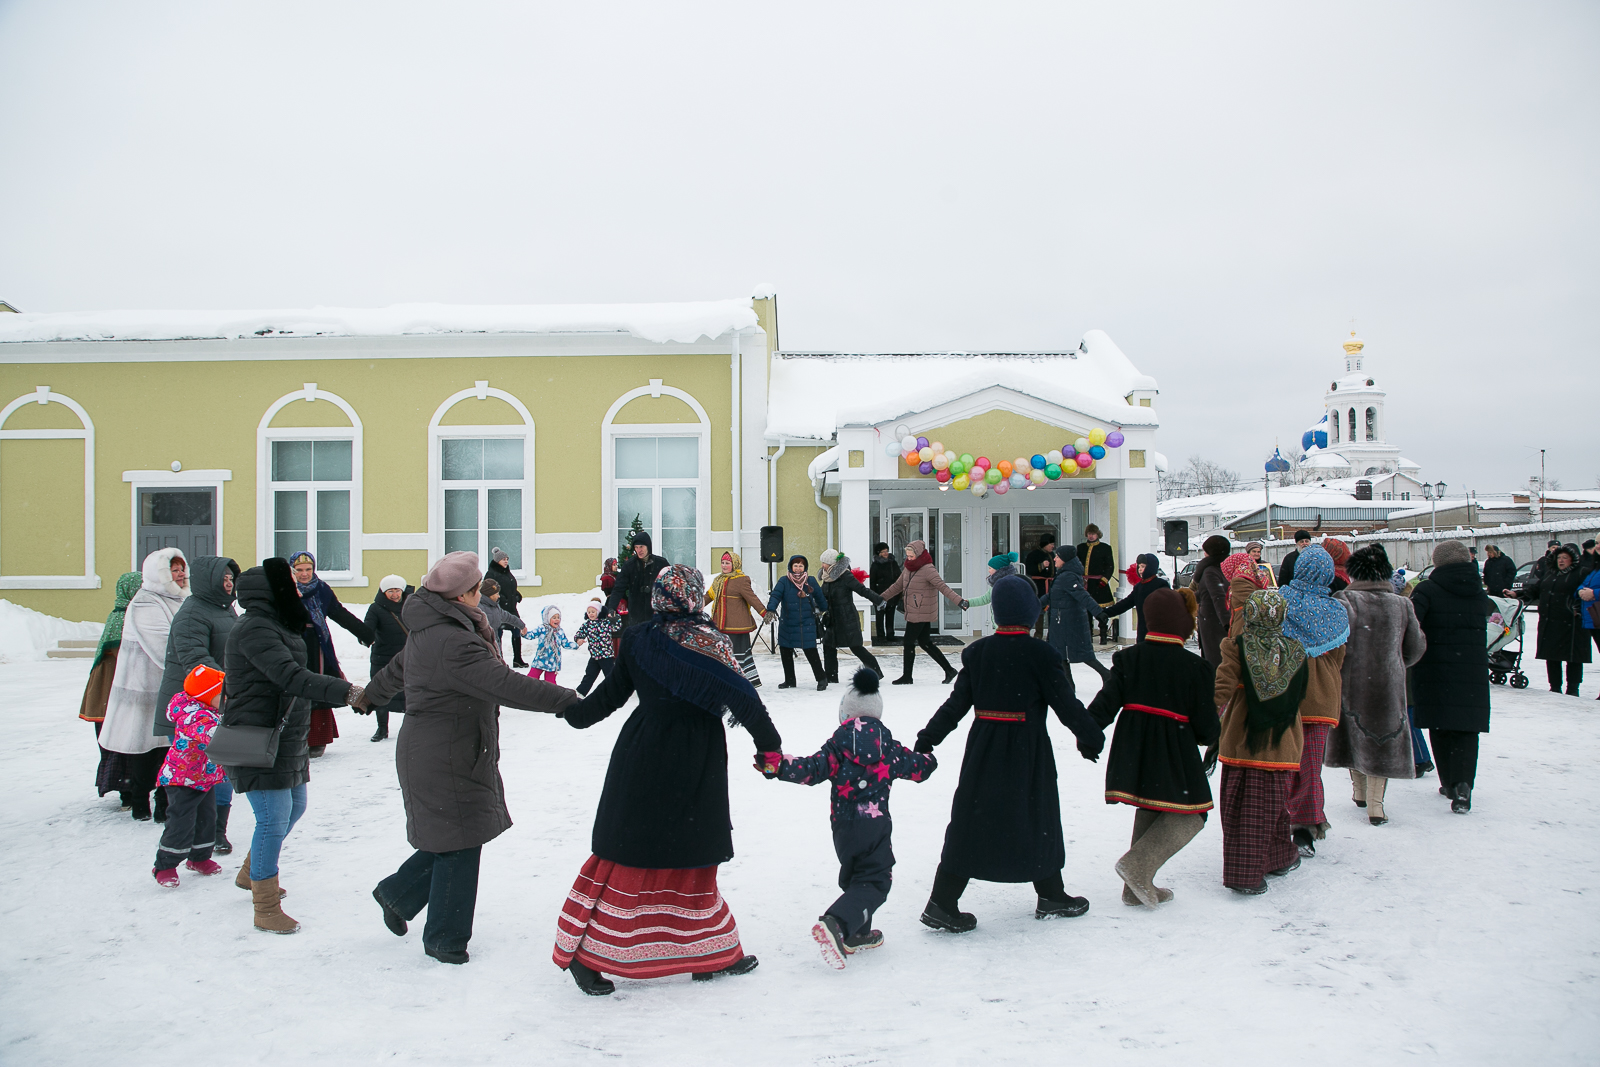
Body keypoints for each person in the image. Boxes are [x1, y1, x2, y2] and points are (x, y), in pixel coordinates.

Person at [553, 564, 779, 995]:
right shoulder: (711, 643)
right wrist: (770, 752)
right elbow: (748, 704)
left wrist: (572, 711)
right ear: (695, 597)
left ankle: (708, 952)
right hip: (696, 757)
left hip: (643, 752)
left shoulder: (639, 638)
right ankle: (587, 956)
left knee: (637, 852)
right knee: (680, 852)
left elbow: (610, 696)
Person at [362, 550, 577, 964]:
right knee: (461, 841)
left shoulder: (434, 629)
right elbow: (505, 684)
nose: (480, 596)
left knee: (454, 836)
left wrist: (371, 696)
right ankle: (444, 937)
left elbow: (395, 671)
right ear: (462, 595)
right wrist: (569, 702)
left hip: (446, 747)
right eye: (477, 590)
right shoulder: (452, 640)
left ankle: (398, 894)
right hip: (444, 752)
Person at [912, 576, 1104, 931]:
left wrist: (929, 737)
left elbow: (955, 705)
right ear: (1031, 612)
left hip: (983, 747)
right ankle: (1051, 895)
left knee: (971, 820)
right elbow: (1066, 704)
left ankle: (942, 902)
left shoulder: (979, 652)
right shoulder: (1041, 654)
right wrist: (1090, 736)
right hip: (1026, 748)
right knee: (1037, 816)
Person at [221, 558, 363, 934]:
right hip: (258, 733)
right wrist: (347, 692)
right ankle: (264, 906)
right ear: (271, 590)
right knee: (272, 818)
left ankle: (252, 871)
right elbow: (290, 676)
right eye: (288, 581)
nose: (297, 586)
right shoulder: (254, 629)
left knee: (294, 807)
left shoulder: (278, 624)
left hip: (286, 733)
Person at [766, 669, 937, 969]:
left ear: (844, 713)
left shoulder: (837, 745)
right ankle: (838, 922)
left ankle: (859, 932)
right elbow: (919, 769)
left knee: (859, 876)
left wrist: (778, 766)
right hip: (875, 824)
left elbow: (810, 769)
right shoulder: (889, 747)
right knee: (877, 879)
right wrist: (929, 757)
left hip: (843, 827)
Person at [1086, 589, 1218, 907]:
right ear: (1182, 623)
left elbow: (1105, 704)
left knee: (1151, 805)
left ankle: (1135, 888)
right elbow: (1206, 726)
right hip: (1174, 750)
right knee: (1193, 813)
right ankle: (1137, 866)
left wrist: (1087, 733)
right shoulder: (1194, 667)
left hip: (1133, 748)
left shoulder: (1129, 658)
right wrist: (1210, 734)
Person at [1214, 589, 1308, 894]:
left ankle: (1245, 876)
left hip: (1244, 739)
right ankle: (1278, 857)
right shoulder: (1296, 649)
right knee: (1272, 806)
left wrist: (1205, 718)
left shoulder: (1237, 646)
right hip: (1282, 743)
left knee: (1244, 810)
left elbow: (1223, 686)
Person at [1327, 545, 1427, 826]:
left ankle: (1358, 792)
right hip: (1387, 685)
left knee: (1352, 733)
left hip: (1350, 682)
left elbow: (1335, 643)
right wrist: (1394, 663)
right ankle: (1376, 806)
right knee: (1382, 739)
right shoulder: (1401, 604)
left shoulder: (1345, 601)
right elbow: (1415, 648)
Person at [152, 555, 241, 849]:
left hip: (220, 702)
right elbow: (197, 663)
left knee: (221, 768)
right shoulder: (192, 614)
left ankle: (214, 833)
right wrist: (227, 693)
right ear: (208, 581)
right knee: (194, 776)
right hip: (193, 708)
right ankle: (184, 840)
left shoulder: (224, 609)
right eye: (223, 579)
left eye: (231, 579)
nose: (228, 584)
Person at [98, 548, 188, 822]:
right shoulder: (146, 602)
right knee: (145, 749)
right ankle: (140, 801)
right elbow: (162, 644)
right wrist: (194, 665)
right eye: (174, 570)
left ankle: (163, 802)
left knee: (166, 748)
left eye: (182, 568)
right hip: (144, 688)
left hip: (168, 686)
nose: (181, 574)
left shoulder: (179, 599)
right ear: (159, 574)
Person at [1411, 540, 1497, 813]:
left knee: (1440, 724)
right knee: (1466, 728)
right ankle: (1463, 785)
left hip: (1435, 668)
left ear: (1438, 562)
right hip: (1471, 670)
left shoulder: (1426, 590)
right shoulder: (1478, 592)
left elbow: (1412, 626)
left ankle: (1448, 782)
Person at [1278, 545, 1349, 857]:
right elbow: (1339, 657)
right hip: (1321, 696)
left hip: (1283, 693)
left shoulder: (1279, 601)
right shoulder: (1335, 611)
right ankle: (1306, 825)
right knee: (1310, 766)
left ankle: (1277, 818)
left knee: (1281, 763)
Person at [289, 551, 375, 757]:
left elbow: (338, 612)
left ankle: (317, 738)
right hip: (291, 644)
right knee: (293, 689)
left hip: (317, 645)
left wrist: (363, 632)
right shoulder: (286, 591)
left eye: (308, 569)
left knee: (318, 688)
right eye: (299, 570)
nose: (304, 574)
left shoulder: (321, 589)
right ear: (292, 571)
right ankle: (293, 738)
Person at [151, 665, 229, 887]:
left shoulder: (210, 709)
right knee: (181, 821)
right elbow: (213, 734)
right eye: (221, 695)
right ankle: (164, 866)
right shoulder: (192, 715)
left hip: (204, 777)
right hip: (182, 777)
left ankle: (199, 858)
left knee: (207, 818)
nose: (226, 699)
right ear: (206, 696)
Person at [81, 572, 142, 803]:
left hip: (116, 687)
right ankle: (125, 788)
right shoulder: (122, 618)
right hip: (113, 689)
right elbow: (123, 656)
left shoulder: (126, 615)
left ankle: (128, 786)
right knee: (120, 737)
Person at [878, 539, 967, 686]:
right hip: (914, 609)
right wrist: (880, 598)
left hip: (921, 610)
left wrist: (959, 600)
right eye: (907, 556)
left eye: (911, 556)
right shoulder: (908, 568)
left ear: (919, 554)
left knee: (908, 642)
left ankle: (907, 676)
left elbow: (942, 587)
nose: (909, 558)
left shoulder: (928, 569)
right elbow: (897, 586)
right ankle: (949, 670)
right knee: (925, 642)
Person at [1527, 545, 1589, 696]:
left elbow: (1587, 593)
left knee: (1573, 656)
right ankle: (1554, 687)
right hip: (1550, 620)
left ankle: (1573, 688)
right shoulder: (1550, 573)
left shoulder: (1581, 573)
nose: (1561, 561)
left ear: (1572, 560)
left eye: (1565, 558)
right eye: (1559, 557)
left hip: (1572, 621)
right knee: (1551, 654)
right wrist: (1517, 594)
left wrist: (1577, 608)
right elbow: (1537, 589)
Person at [1040, 548, 1110, 683]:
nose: (1054, 559)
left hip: (1068, 622)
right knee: (1061, 655)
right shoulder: (1064, 574)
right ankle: (1069, 685)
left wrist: (1099, 612)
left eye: (1057, 557)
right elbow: (1053, 595)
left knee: (1080, 654)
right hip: (1062, 620)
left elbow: (1083, 596)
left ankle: (1107, 676)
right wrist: (1034, 605)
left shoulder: (1068, 576)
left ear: (1065, 559)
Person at [818, 550, 885, 681]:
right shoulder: (827, 577)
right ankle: (831, 677)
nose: (822, 566)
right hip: (832, 619)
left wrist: (879, 600)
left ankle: (876, 672)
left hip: (846, 618)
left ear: (832, 563)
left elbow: (862, 590)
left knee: (856, 647)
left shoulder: (845, 576)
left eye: (825, 563)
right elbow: (823, 596)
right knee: (828, 646)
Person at [766, 555, 829, 691]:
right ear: (791, 566)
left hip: (807, 622)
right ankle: (790, 680)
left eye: (801, 566)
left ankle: (821, 679)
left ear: (804, 567)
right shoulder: (784, 581)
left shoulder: (810, 580)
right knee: (785, 651)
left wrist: (824, 609)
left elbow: (819, 597)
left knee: (811, 651)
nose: (798, 568)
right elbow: (775, 595)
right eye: (795, 565)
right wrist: (770, 609)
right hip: (788, 622)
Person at [706, 550, 767, 686]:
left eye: (727, 563)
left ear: (735, 564)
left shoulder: (741, 580)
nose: (724, 565)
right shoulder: (718, 580)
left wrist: (764, 612)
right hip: (721, 624)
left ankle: (742, 681)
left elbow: (752, 598)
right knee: (723, 653)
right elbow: (709, 596)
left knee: (738, 654)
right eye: (722, 563)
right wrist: (694, 605)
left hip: (737, 626)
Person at [363, 575, 412, 742]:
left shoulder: (411, 605)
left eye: (397, 590)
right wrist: (365, 637)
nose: (394, 594)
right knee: (381, 691)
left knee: (410, 692)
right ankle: (382, 728)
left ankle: (410, 728)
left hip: (407, 656)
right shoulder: (376, 609)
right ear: (383, 592)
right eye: (390, 591)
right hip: (382, 657)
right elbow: (368, 627)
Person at [1104, 554, 1172, 643]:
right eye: (1139, 566)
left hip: (1158, 631)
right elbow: (1126, 603)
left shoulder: (1161, 585)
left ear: (1151, 567)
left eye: (1143, 566)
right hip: (1143, 631)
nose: (1140, 569)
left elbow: (1169, 607)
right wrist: (1106, 613)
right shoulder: (1139, 587)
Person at [1192, 535, 1232, 666]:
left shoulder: (1210, 571)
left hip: (1214, 623)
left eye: (1206, 550)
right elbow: (1207, 593)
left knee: (1215, 661)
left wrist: (1227, 623)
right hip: (1219, 621)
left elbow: (1218, 597)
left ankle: (1215, 686)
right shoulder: (1225, 569)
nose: (1204, 553)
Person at [617, 531, 669, 629]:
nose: (638, 550)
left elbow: (671, 583)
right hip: (636, 613)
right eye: (636, 547)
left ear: (648, 547)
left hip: (656, 612)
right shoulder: (629, 565)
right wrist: (611, 608)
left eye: (641, 547)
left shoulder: (661, 563)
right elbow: (619, 587)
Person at [485, 547, 527, 667]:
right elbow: (488, 590)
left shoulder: (507, 572)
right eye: (503, 559)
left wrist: (517, 595)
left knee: (516, 631)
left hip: (511, 607)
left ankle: (517, 659)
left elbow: (510, 586)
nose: (506, 561)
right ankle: (499, 659)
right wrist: (502, 598)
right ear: (497, 560)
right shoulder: (491, 573)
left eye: (507, 559)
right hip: (499, 608)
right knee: (498, 634)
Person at [573, 600, 624, 696]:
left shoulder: (606, 623)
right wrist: (579, 639)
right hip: (594, 656)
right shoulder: (587, 625)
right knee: (589, 675)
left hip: (606, 656)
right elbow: (579, 634)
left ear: (599, 612)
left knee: (610, 675)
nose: (591, 614)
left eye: (593, 611)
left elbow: (617, 627)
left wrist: (615, 617)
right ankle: (581, 692)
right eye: (589, 612)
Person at [1078, 524, 1117, 644]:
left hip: (1099, 584)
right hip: (1085, 583)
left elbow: (1110, 566)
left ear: (1097, 534)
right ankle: (1088, 635)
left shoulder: (1105, 548)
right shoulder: (1080, 548)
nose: (1091, 536)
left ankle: (1103, 635)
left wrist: (1104, 580)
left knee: (1101, 611)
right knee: (1086, 612)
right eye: (1089, 534)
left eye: (1093, 534)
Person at [525, 604, 580, 684]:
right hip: (540, 659)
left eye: (558, 617)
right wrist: (524, 633)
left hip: (553, 662)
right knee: (531, 679)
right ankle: (525, 693)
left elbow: (565, 644)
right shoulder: (542, 628)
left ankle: (551, 696)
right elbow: (531, 635)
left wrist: (576, 644)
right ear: (547, 619)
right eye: (554, 618)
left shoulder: (559, 631)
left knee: (550, 683)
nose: (557, 620)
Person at [1223, 551, 1268, 638]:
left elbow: (1252, 604)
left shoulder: (1239, 581)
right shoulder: (1255, 578)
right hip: (1254, 629)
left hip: (1243, 629)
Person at [477, 579, 529, 654]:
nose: (498, 596)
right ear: (489, 594)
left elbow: (509, 617)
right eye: (496, 593)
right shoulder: (478, 608)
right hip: (482, 649)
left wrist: (521, 625)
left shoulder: (495, 607)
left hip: (495, 646)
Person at [1024, 533, 1057, 639]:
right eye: (1051, 544)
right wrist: (1041, 566)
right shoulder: (1034, 555)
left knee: (1051, 609)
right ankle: (1038, 633)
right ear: (1045, 544)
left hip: (1050, 585)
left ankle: (1051, 634)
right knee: (1040, 609)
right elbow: (1030, 570)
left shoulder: (1052, 555)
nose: (1053, 546)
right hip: (1039, 585)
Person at [869, 542, 903, 641]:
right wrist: (873, 595)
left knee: (890, 615)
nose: (885, 553)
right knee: (879, 616)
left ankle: (890, 634)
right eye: (883, 551)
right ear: (878, 553)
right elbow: (872, 581)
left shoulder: (893, 563)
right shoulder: (875, 565)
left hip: (893, 594)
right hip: (879, 594)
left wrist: (899, 591)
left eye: (886, 551)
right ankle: (880, 636)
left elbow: (899, 577)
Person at [1578, 562, 1600, 696]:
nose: (1598, 546)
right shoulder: (1595, 568)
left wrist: (1594, 593)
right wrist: (1580, 591)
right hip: (1594, 618)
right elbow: (1584, 583)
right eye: (1597, 543)